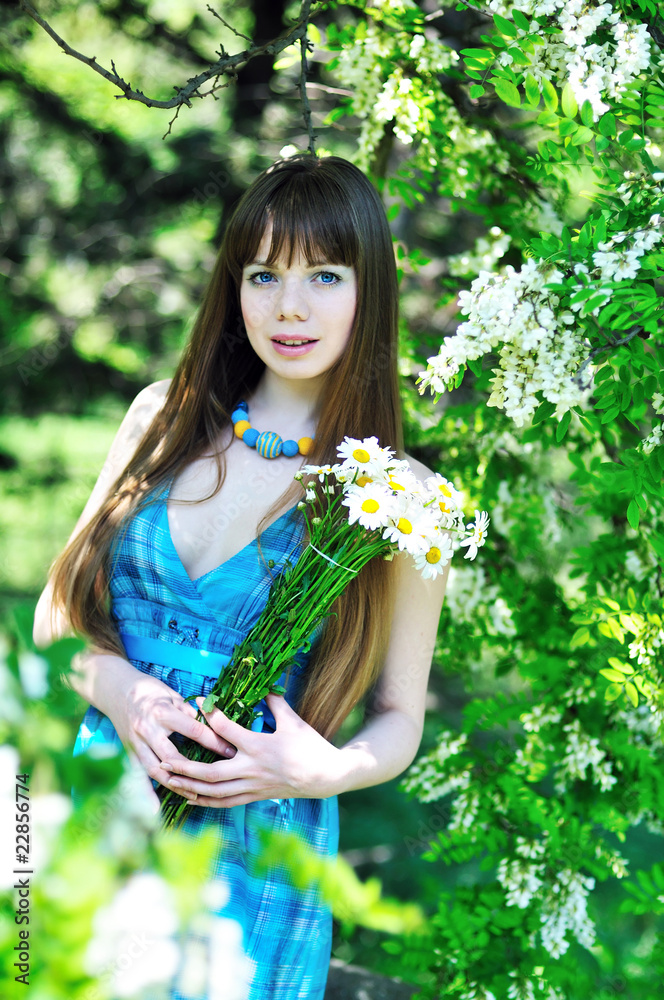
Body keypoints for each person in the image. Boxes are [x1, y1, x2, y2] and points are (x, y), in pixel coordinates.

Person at [33, 153, 448, 999]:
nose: (289, 306)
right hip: (99, 806)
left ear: (370, 293)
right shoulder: (162, 417)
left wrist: (323, 771)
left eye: (325, 275)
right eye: (264, 274)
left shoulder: (403, 498)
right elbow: (56, 616)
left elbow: (400, 720)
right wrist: (126, 694)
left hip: (254, 847)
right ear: (235, 287)